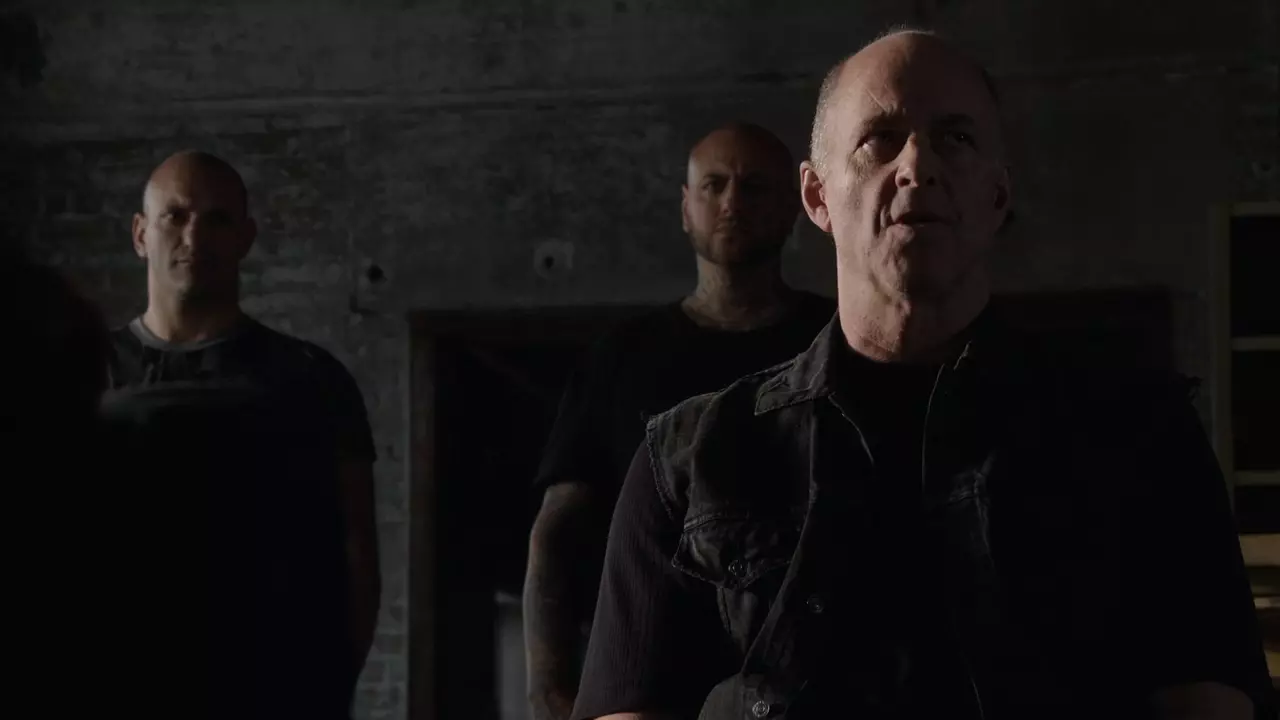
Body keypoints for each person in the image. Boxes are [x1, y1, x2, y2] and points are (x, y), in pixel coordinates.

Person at [573, 29, 1272, 720]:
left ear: (997, 196)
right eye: (879, 138)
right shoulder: (690, 461)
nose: (918, 165)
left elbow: (1207, 699)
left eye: (956, 138)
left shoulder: (1137, 432)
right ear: (816, 197)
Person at [524, 123, 837, 720]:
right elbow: (556, 532)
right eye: (714, 185)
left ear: (796, 206)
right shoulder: (620, 359)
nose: (732, 202)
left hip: (807, 681)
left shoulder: (833, 345)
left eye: (754, 187)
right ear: (686, 208)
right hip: (649, 683)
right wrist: (547, 691)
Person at [99, 151, 381, 719]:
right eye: (175, 216)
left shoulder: (310, 380)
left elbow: (355, 558)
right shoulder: (76, 371)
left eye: (218, 219)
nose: (194, 235)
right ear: (140, 234)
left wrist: (325, 696)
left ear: (245, 238)